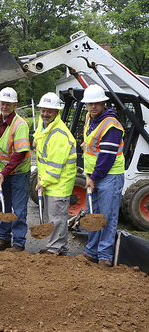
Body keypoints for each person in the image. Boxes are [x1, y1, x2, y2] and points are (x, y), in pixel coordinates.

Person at [80, 84, 125, 267]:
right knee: (93, 214)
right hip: (95, 175)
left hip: (109, 175)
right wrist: (89, 175)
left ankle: (105, 255)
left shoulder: (111, 125)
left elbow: (106, 158)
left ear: (103, 103)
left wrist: (93, 178)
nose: (93, 107)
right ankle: (91, 251)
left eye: (97, 103)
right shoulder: (89, 118)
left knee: (106, 216)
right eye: (90, 104)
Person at [33, 93, 76, 255]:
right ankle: (60, 247)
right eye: (43, 111)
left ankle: (54, 249)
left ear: (57, 112)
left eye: (49, 111)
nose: (45, 114)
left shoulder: (59, 134)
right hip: (51, 181)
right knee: (55, 217)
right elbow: (39, 134)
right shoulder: (45, 125)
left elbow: (55, 166)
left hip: (59, 182)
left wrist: (43, 183)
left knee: (56, 218)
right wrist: (35, 140)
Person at [0, 87, 31, 252]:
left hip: (18, 172)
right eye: (2, 103)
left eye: (8, 104)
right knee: (3, 204)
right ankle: (4, 238)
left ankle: (19, 242)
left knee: (19, 207)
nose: (4, 106)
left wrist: (4, 173)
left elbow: (20, 154)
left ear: (15, 105)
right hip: (2, 171)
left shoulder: (20, 125)